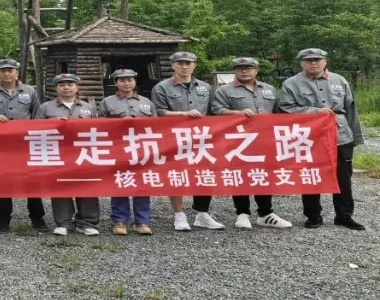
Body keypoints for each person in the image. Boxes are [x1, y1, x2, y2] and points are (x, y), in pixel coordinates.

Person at [278, 48, 366, 230]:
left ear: (325, 61)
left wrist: (355, 137)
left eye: (317, 59)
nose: (313, 63)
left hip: (340, 135)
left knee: (343, 178)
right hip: (308, 137)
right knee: (310, 175)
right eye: (308, 60)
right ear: (301, 63)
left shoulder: (339, 80)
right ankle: (313, 216)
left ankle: (344, 216)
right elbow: (285, 108)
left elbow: (351, 109)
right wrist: (313, 111)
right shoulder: (291, 83)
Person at [212, 57, 293, 230]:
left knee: (264, 174)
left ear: (256, 70)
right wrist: (237, 113)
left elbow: (279, 112)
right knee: (239, 175)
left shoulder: (269, 89)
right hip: (238, 141)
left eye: (249, 67)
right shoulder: (224, 90)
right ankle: (242, 213)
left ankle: (265, 213)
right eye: (240, 68)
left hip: (265, 139)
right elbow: (216, 110)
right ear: (234, 71)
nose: (244, 71)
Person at [150, 51, 223, 231]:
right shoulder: (161, 87)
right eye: (180, 63)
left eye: (188, 63)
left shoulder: (205, 87)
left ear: (194, 65)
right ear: (172, 65)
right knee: (176, 174)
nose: (184, 67)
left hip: (201, 137)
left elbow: (213, 111)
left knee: (204, 173)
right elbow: (158, 112)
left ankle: (202, 213)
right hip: (173, 137)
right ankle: (179, 214)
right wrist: (182, 114)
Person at [0, 58, 47, 233]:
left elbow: (37, 115)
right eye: (3, 71)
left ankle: (38, 219)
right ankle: (3, 221)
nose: (7, 73)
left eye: (10, 70)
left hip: (25, 144)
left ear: (17, 72)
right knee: (3, 182)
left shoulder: (30, 91)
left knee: (32, 182)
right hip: (0, 145)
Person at [35, 73, 100, 237]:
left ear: (77, 87)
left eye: (70, 84)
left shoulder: (88, 107)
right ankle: (64, 223)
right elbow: (35, 130)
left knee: (86, 185)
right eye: (62, 85)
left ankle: (87, 223)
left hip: (83, 153)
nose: (66, 88)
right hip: (58, 153)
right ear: (56, 88)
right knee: (60, 186)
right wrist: (53, 124)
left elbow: (98, 129)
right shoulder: (46, 108)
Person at [98, 69, 155, 236]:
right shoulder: (107, 102)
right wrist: (119, 123)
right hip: (118, 148)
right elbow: (99, 125)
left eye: (129, 80)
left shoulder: (146, 102)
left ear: (135, 81)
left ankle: (142, 221)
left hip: (142, 148)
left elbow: (156, 125)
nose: (126, 83)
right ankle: (120, 221)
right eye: (122, 80)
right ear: (116, 83)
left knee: (142, 184)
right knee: (120, 182)